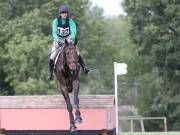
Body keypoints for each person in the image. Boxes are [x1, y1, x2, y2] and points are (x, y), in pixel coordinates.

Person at [48, 4, 90, 80]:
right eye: (62, 13)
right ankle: (50, 73)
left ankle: (84, 68)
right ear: (60, 14)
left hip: (68, 39)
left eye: (65, 13)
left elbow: (74, 32)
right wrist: (58, 40)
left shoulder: (71, 21)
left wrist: (70, 40)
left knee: (76, 52)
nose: (64, 14)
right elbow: (54, 32)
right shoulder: (56, 21)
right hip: (58, 40)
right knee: (52, 55)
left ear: (67, 13)